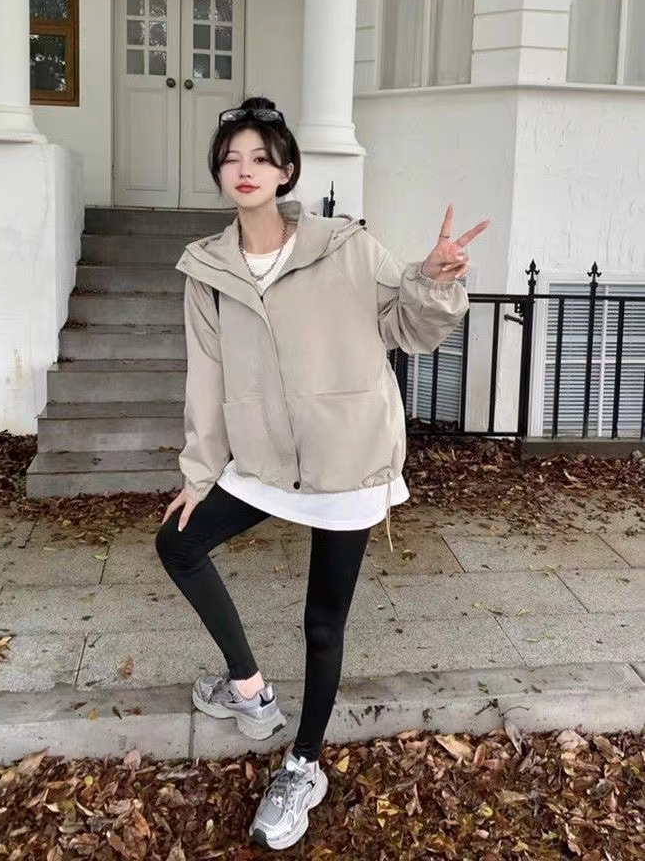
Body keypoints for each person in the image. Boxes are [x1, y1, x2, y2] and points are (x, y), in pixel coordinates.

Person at [156, 96, 489, 851]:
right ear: (218, 174)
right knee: (178, 542)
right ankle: (250, 691)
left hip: (347, 459)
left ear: (287, 172)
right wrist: (200, 473)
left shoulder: (345, 246)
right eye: (231, 158)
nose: (245, 170)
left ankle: (303, 765)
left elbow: (406, 327)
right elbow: (205, 378)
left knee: (322, 621)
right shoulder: (206, 269)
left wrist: (432, 279)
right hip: (264, 459)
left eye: (260, 158)